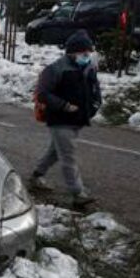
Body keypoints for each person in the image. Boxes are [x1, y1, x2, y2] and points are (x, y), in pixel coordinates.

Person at [30, 30, 102, 208]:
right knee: (68, 156)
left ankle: (37, 175)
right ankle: (78, 194)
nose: (87, 55)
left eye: (89, 52)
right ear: (72, 52)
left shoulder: (88, 67)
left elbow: (95, 90)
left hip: (77, 119)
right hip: (60, 119)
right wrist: (64, 106)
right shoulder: (55, 69)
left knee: (55, 152)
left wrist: (94, 106)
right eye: (84, 52)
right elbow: (43, 93)